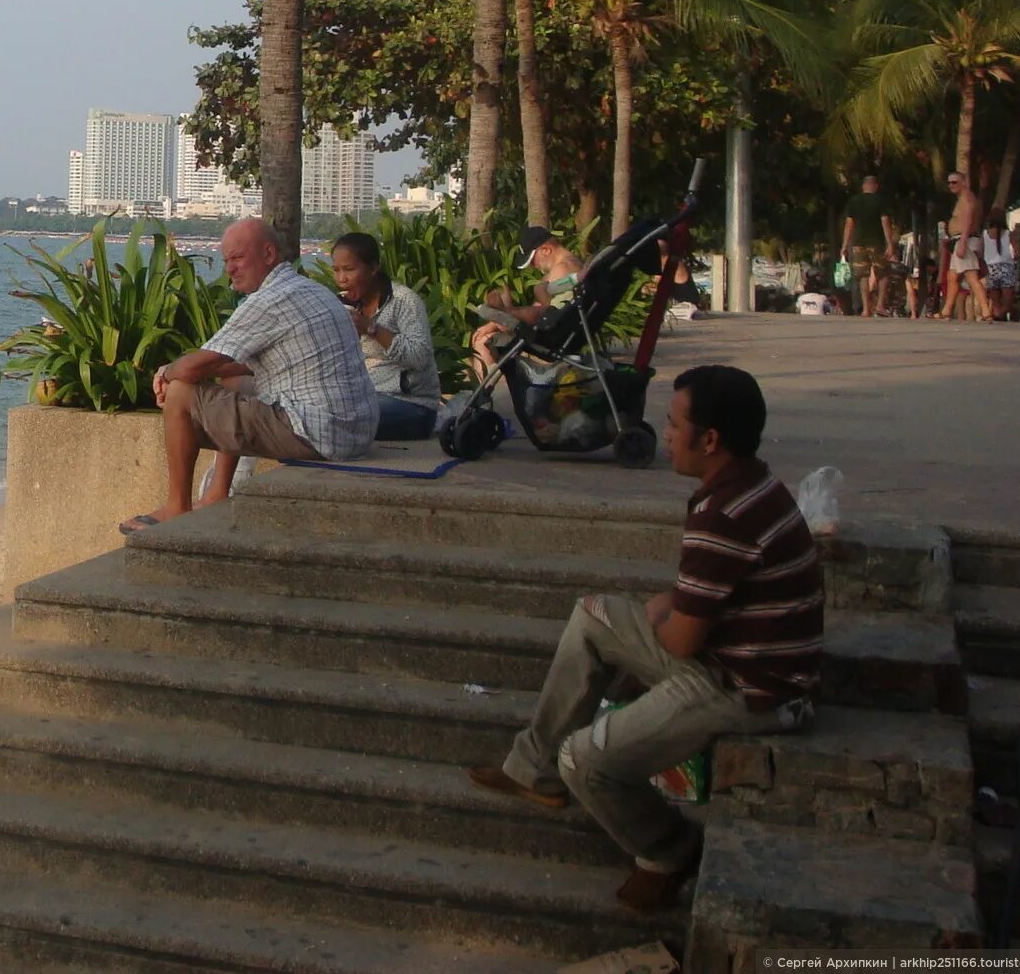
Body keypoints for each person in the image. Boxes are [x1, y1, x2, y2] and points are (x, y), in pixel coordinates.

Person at [468, 365, 821, 913]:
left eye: (675, 423)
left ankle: (667, 850)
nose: (668, 433)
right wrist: (659, 613)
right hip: (727, 657)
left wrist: (658, 623)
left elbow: (680, 642)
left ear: (709, 439)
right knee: (593, 617)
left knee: (584, 759)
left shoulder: (726, 513)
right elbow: (690, 604)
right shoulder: (749, 483)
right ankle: (531, 769)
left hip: (748, 689)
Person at [123, 219, 378, 532]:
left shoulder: (269, 300)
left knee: (179, 393)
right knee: (234, 382)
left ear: (268, 254)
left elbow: (193, 368)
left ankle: (177, 507)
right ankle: (218, 492)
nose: (230, 268)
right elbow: (235, 367)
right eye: (226, 260)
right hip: (356, 432)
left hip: (318, 433)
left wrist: (165, 372)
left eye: (238, 258)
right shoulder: (310, 289)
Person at [329, 231, 440, 439]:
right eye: (336, 270)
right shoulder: (344, 304)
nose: (341, 279)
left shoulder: (403, 301)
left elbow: (420, 357)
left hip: (412, 404)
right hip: (365, 395)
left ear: (373, 268)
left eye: (349, 270)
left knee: (339, 419)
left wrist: (372, 329)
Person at [470, 224, 586, 378]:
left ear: (546, 250)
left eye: (532, 260)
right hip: (562, 328)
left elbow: (544, 311)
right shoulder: (575, 265)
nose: (533, 266)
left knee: (482, 341)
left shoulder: (562, 269)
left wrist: (500, 319)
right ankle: (504, 315)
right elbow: (542, 309)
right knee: (489, 332)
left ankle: (486, 391)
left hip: (553, 335)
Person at [838, 175, 895, 320]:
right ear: (875, 186)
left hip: (858, 244)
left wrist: (844, 245)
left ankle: (865, 309)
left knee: (863, 275)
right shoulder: (880, 201)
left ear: (863, 186)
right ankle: (880, 305)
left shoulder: (854, 201)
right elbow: (885, 222)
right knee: (882, 274)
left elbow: (849, 224)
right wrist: (890, 243)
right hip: (876, 243)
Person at [943, 172, 987, 322]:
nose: (951, 185)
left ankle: (986, 310)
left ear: (963, 182)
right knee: (952, 276)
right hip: (960, 239)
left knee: (971, 276)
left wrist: (962, 242)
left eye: (954, 182)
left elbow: (968, 220)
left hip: (965, 240)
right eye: (949, 183)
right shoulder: (962, 198)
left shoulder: (967, 197)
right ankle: (947, 310)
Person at [983, 220, 1019, 322]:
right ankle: (1002, 312)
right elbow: (1016, 253)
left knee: (995, 298)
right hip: (1006, 266)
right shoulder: (1008, 233)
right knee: (1007, 297)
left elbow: (981, 251)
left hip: (990, 267)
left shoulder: (985, 233)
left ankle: (997, 311)